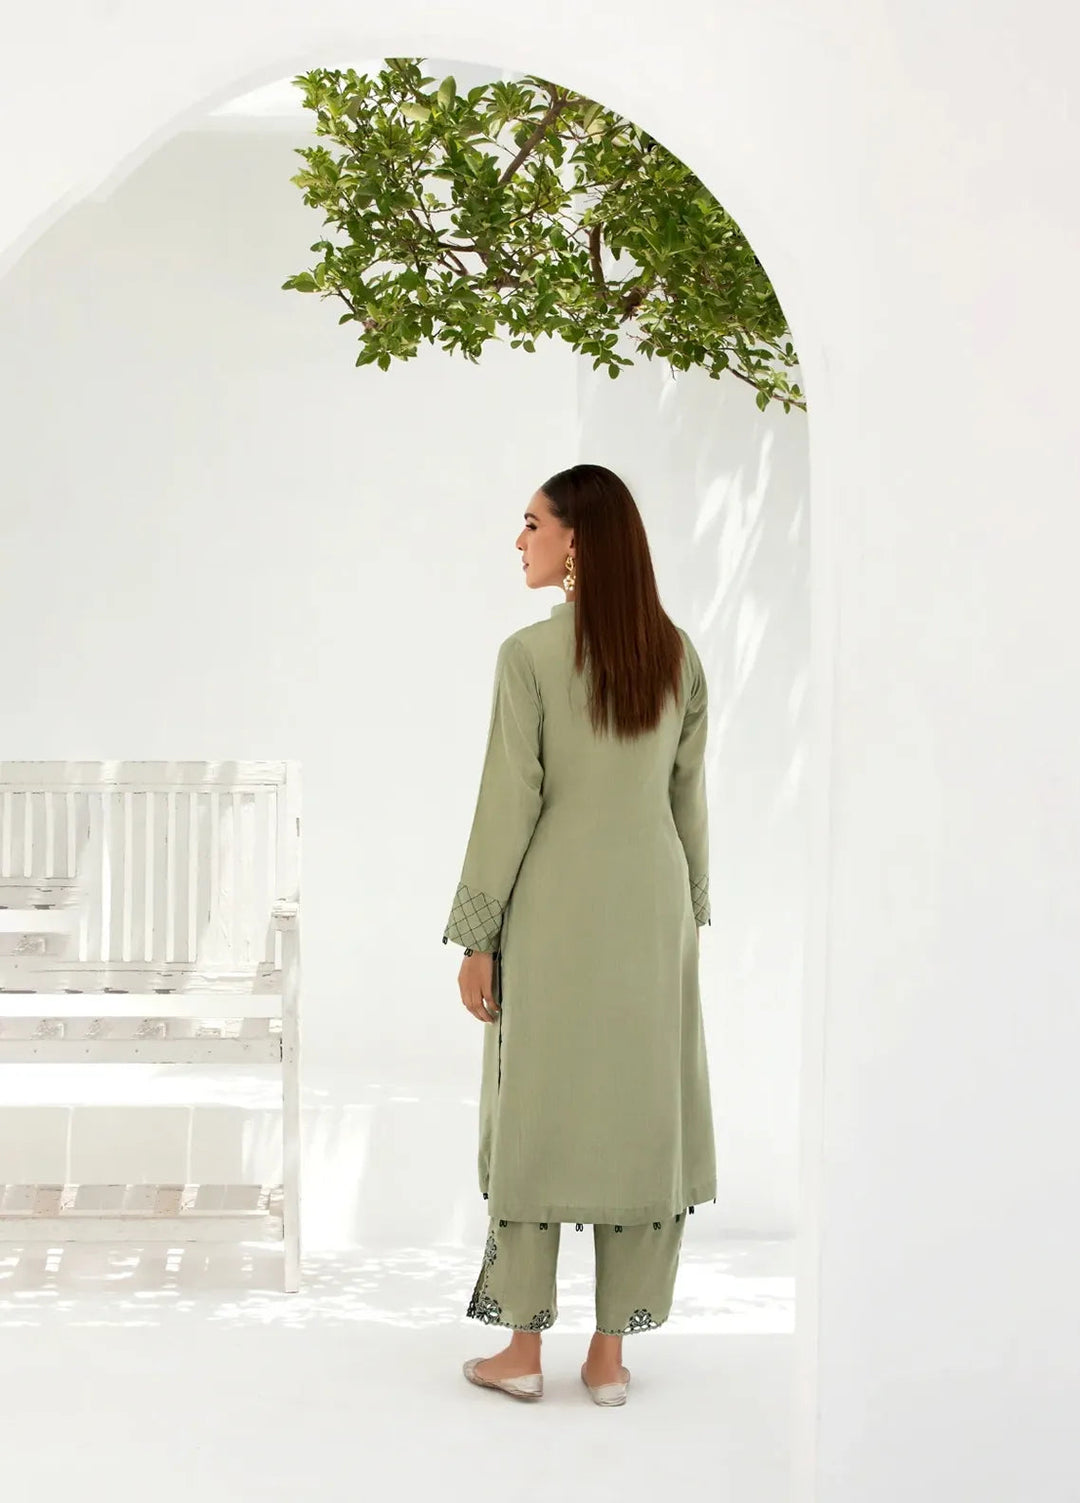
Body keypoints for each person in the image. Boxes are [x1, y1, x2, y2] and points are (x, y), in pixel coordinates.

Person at [443, 462, 716, 1406]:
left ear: (577, 541)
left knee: (536, 1105)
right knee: (639, 1110)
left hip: (555, 911)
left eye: (533, 523)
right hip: (652, 913)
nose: (519, 540)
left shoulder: (527, 656)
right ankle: (608, 1357)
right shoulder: (676, 655)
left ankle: (522, 1351)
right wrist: (689, 916)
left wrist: (478, 935)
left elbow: (508, 802)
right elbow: (688, 801)